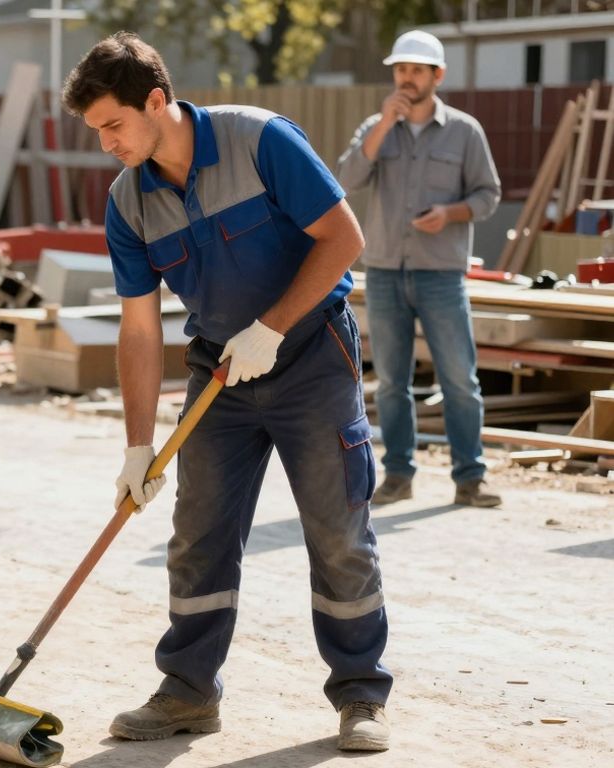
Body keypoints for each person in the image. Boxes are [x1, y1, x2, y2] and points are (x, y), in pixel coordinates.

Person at [62, 33, 393, 751]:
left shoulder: (259, 141)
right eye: (97, 133)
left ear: (157, 100)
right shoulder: (129, 202)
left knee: (338, 532)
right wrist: (138, 444)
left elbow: (344, 237)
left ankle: (361, 693)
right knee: (198, 536)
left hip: (311, 357)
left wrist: (273, 327)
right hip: (220, 375)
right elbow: (140, 331)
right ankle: (188, 690)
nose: (108, 144)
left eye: (114, 125)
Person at [338, 30, 502, 508]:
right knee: (391, 382)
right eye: (400, 69)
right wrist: (384, 124)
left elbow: (488, 196)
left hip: (441, 274)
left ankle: (470, 479)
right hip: (386, 271)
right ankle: (397, 477)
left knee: (459, 380)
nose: (406, 78)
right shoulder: (376, 126)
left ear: (438, 75)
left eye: (416, 70)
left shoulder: (465, 131)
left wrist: (450, 214)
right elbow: (346, 180)